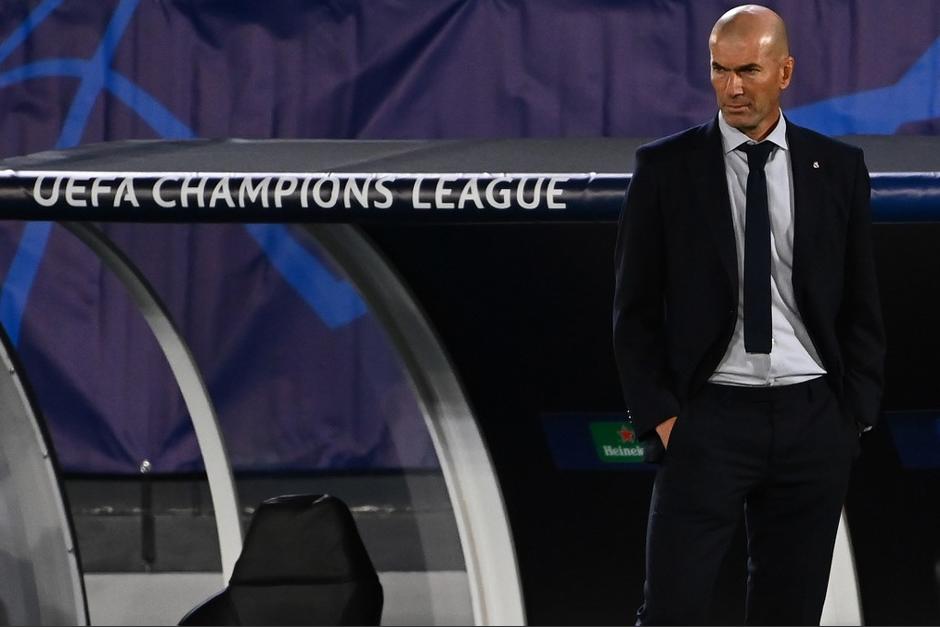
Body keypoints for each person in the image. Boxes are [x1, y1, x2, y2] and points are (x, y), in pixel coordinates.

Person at [612, 4, 885, 625]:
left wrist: (853, 414)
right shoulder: (665, 169)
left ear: (784, 72)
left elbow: (861, 302)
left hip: (813, 418)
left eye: (749, 71)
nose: (731, 87)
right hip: (707, 419)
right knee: (671, 612)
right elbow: (634, 309)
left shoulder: (838, 168)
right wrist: (662, 417)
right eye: (719, 70)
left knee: (789, 612)